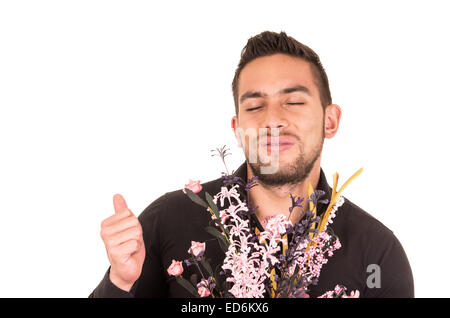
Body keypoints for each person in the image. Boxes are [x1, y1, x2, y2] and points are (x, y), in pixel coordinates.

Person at [90, 31, 414, 298]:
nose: (273, 119)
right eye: (256, 106)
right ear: (237, 128)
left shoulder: (378, 253)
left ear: (330, 121)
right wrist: (120, 282)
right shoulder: (168, 221)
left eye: (295, 102)